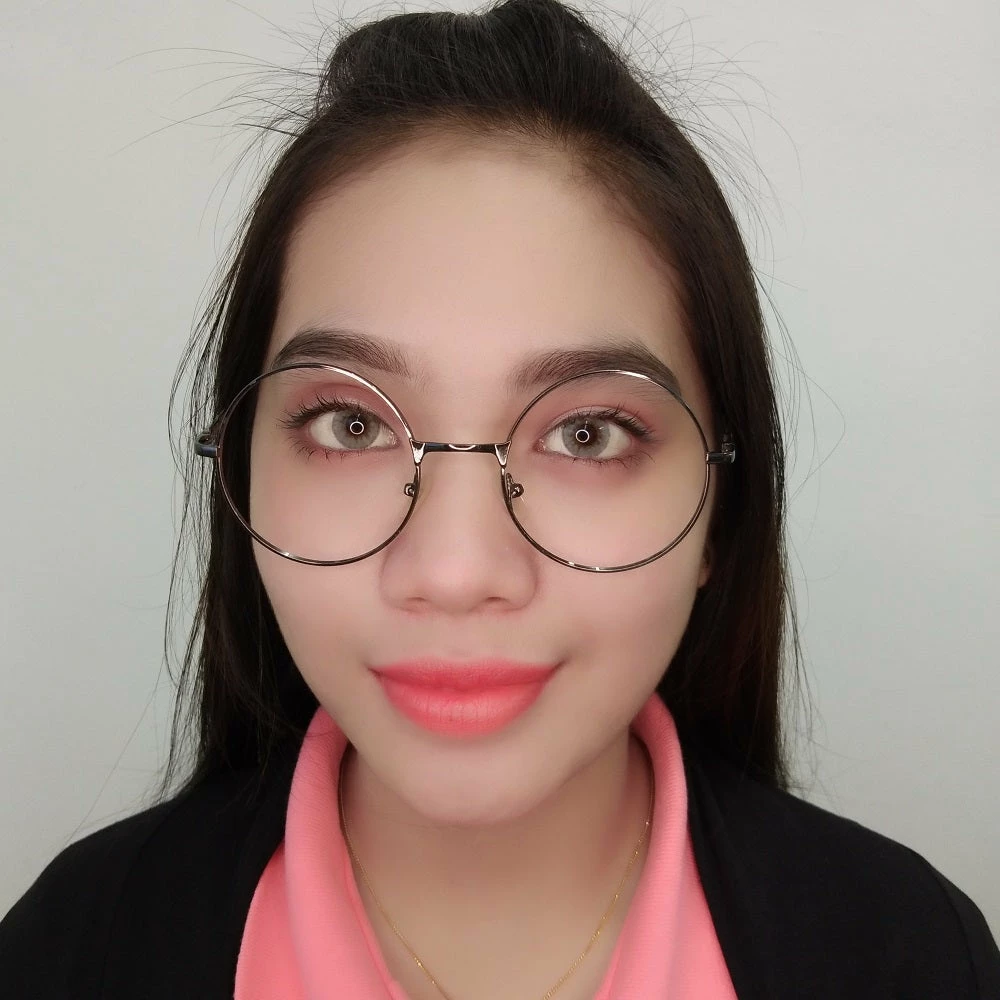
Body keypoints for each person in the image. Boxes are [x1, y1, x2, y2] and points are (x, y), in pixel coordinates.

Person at [2, 0, 997, 996]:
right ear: (241, 466)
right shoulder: (69, 953)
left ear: (719, 512)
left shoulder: (913, 955)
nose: (454, 570)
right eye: (351, 424)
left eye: (587, 432)